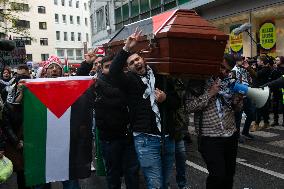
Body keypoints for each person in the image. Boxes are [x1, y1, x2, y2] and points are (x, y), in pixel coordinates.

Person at [109, 29, 179, 189]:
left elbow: (177, 103)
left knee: (165, 182)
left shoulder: (160, 76)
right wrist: (126, 48)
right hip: (145, 139)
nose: (136, 63)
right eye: (131, 63)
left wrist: (165, 98)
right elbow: (113, 73)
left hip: (167, 136)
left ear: (144, 59)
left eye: (138, 59)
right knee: (154, 184)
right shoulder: (129, 82)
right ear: (128, 68)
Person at [34, 55, 93, 189]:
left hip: (66, 143)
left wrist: (87, 64)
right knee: (42, 181)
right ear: (45, 71)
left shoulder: (69, 87)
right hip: (44, 143)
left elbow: (79, 79)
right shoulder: (36, 89)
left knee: (70, 182)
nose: (54, 70)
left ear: (62, 71)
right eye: (51, 67)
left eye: (57, 67)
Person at [185, 55, 242, 189]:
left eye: (227, 70)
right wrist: (210, 94)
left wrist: (237, 101)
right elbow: (188, 107)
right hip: (209, 137)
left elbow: (237, 109)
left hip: (230, 134)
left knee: (229, 175)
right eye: (222, 67)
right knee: (217, 175)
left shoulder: (230, 82)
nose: (224, 72)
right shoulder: (198, 82)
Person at [95, 55, 140, 189]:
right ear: (102, 70)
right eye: (107, 67)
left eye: (112, 66)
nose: (110, 69)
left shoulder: (126, 81)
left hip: (128, 137)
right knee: (113, 175)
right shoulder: (96, 85)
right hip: (110, 139)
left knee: (132, 172)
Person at [2, 64, 31, 189]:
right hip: (19, 142)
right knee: (22, 173)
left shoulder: (36, 92)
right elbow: (6, 123)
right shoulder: (9, 94)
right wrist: (16, 141)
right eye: (18, 76)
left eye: (24, 75)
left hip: (33, 140)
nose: (21, 79)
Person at [232, 57, 255, 140]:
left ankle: (245, 132)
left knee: (251, 114)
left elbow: (254, 75)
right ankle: (236, 136)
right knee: (238, 117)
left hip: (247, 95)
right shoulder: (234, 70)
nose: (242, 62)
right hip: (239, 96)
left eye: (243, 60)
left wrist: (248, 67)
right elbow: (233, 83)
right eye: (240, 60)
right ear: (236, 61)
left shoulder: (246, 68)